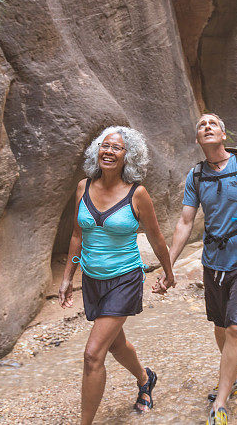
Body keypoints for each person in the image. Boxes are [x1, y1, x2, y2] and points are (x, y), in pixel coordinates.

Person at [154, 114, 237, 425]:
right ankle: (234, 375)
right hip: (213, 260)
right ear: (198, 139)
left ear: (224, 134)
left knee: (236, 327)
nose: (207, 127)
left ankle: (222, 400)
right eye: (201, 125)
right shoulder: (196, 176)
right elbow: (185, 222)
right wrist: (168, 265)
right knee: (219, 324)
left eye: (212, 123)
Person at [58, 126, 175, 425]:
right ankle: (145, 378)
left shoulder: (138, 194)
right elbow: (76, 235)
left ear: (129, 156)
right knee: (115, 344)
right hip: (92, 279)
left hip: (124, 278)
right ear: (97, 151)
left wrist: (168, 272)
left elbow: (156, 238)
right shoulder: (84, 187)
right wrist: (68, 276)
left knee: (93, 354)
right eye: (105, 145)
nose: (109, 151)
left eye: (117, 148)